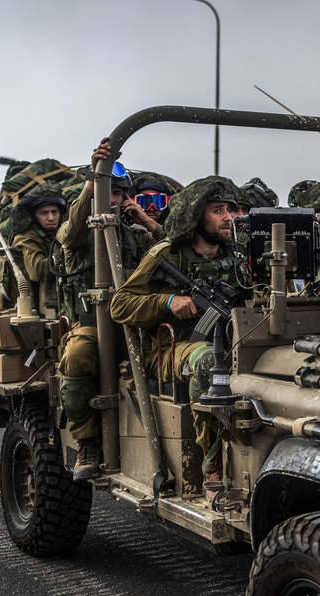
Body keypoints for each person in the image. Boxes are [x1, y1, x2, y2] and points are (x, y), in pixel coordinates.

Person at [110, 175, 249, 503]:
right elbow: (121, 304)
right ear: (197, 216)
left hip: (228, 343)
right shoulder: (168, 253)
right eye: (218, 210)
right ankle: (212, 467)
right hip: (168, 350)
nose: (229, 216)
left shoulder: (236, 257)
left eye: (230, 209)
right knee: (206, 360)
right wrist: (168, 302)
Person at [56, 138, 156, 482]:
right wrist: (93, 181)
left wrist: (143, 217)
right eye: (104, 189)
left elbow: (167, 253)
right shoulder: (77, 231)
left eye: (116, 192)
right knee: (77, 356)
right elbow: (71, 233)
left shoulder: (134, 233)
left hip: (133, 321)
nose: (109, 197)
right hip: (91, 322)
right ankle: (87, 442)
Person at [11, 182, 67, 311]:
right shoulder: (26, 237)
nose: (51, 218)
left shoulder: (63, 230)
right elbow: (38, 271)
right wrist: (65, 257)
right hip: (38, 307)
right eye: (44, 213)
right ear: (34, 216)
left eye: (55, 212)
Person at [122, 172, 175, 239]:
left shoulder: (175, 227)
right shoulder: (124, 230)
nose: (151, 209)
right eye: (145, 203)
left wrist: (148, 223)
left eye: (157, 202)